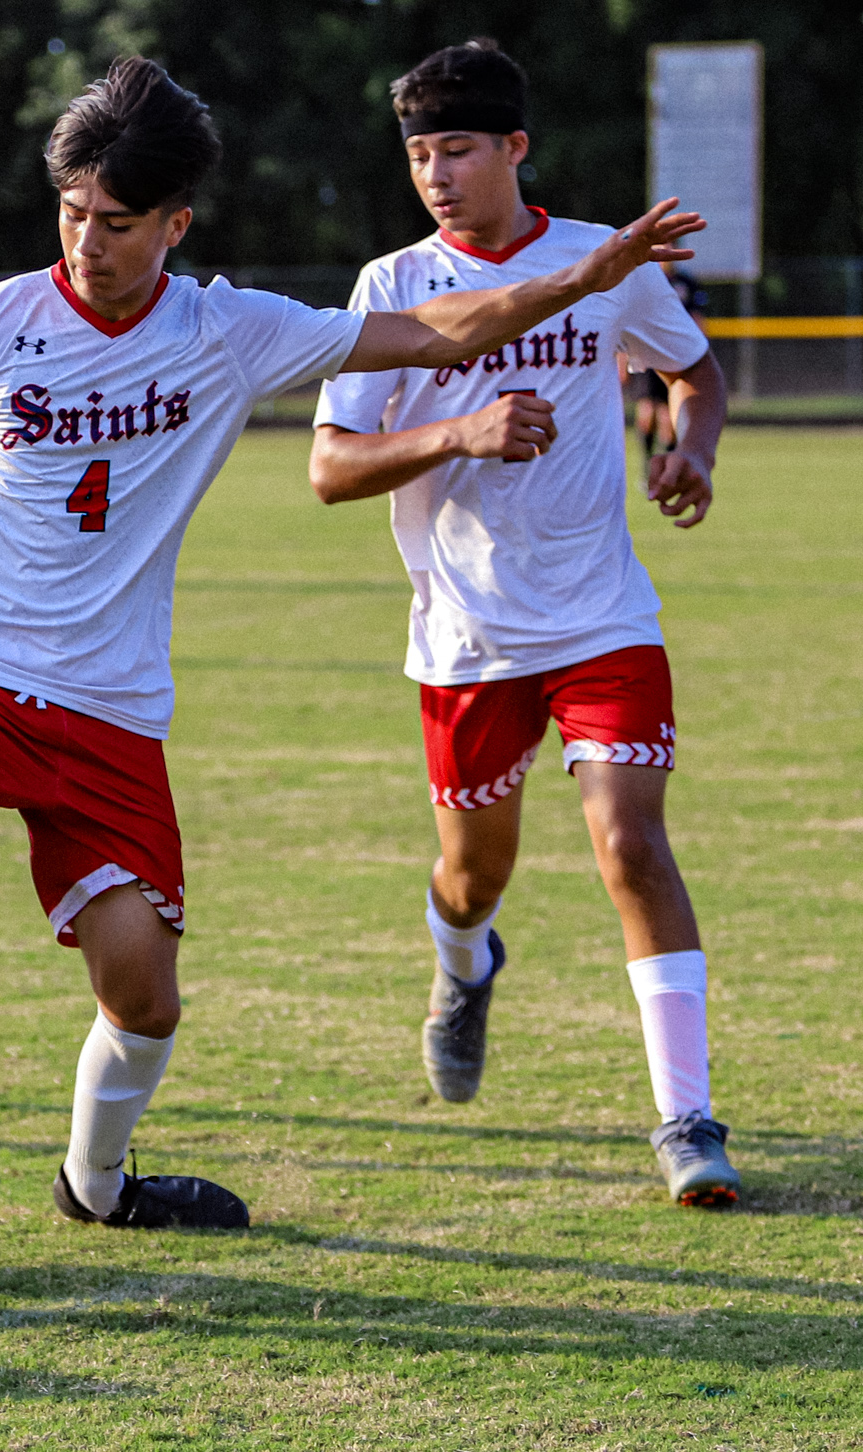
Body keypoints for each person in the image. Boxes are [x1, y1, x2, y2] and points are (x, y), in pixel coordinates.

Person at [0, 55, 705, 1329]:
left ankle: (96, 1182)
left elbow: (442, 329)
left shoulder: (227, 330)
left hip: (111, 712)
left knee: (143, 995)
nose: (86, 241)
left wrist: (582, 279)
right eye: (70, 211)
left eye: (117, 223)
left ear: (176, 222)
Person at [307, 41, 735, 1208]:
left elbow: (695, 372)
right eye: (416, 155)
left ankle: (684, 1116)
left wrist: (687, 449)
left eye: (455, 149)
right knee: (468, 874)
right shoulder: (388, 285)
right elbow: (330, 469)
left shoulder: (601, 261)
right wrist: (458, 431)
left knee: (629, 845)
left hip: (600, 616)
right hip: (463, 638)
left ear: (513, 150)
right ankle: (462, 963)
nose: (435, 174)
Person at [635, 263, 707, 458]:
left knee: (668, 415)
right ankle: (648, 463)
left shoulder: (685, 282)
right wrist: (621, 358)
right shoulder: (641, 279)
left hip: (674, 353)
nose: (668, 247)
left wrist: (699, 349)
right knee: (648, 410)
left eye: (672, 243)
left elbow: (696, 317)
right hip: (646, 350)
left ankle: (668, 462)